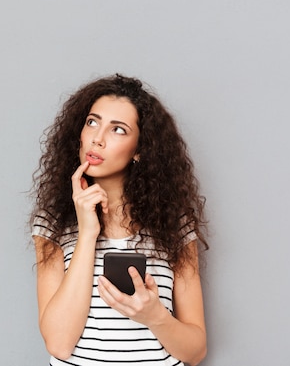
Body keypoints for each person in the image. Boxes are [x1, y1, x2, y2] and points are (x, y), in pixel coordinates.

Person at [30, 74, 208, 366]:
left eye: (118, 130)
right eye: (92, 122)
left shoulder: (174, 224)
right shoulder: (52, 223)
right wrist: (87, 233)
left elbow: (195, 351)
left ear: (139, 150)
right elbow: (59, 344)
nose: (97, 138)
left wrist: (155, 316)